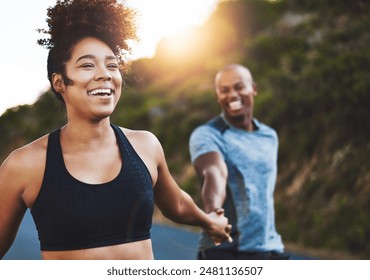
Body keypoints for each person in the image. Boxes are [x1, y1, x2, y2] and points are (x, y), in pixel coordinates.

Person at [0, 0, 231, 260]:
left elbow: (176, 203)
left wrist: (210, 222)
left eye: (112, 65)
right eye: (88, 65)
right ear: (59, 82)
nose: (105, 74)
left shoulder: (146, 146)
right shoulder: (24, 165)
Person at [189, 63, 289, 260]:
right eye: (224, 90)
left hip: (270, 248)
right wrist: (213, 212)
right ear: (217, 96)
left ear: (253, 88)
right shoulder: (207, 134)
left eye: (239, 87)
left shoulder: (269, 136)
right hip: (225, 249)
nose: (232, 95)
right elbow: (214, 172)